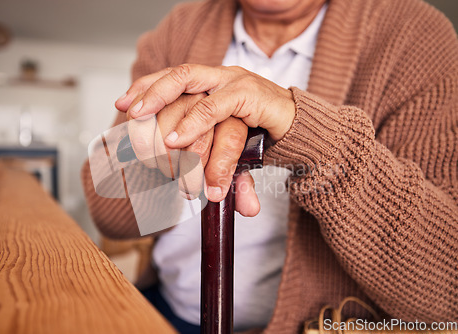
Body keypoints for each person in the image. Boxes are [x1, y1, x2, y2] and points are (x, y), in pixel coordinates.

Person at [81, 0, 458, 333]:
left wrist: (309, 132)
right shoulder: (180, 27)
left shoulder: (415, 34)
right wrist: (172, 140)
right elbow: (110, 213)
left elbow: (447, 290)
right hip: (164, 310)